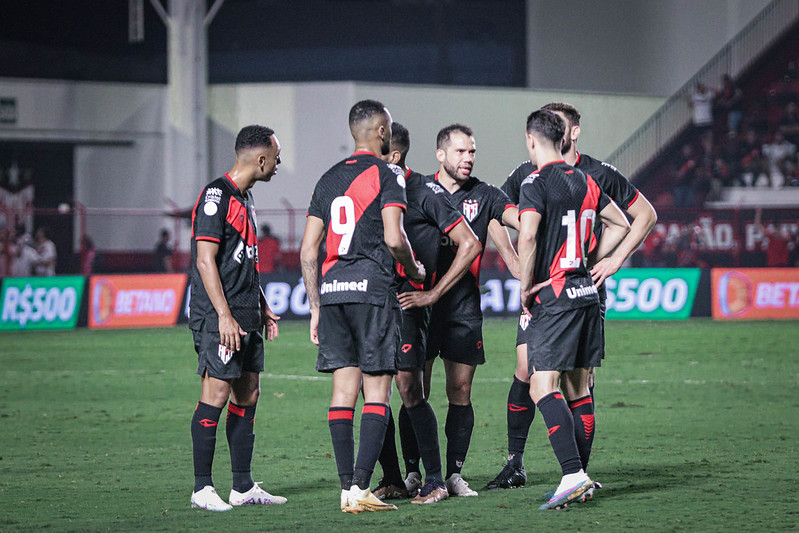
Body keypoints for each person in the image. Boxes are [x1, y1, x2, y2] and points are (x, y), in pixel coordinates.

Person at [489, 102, 657, 491]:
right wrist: (514, 262)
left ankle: (576, 471)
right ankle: (520, 462)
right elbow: (495, 211)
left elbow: (644, 215)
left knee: (565, 382)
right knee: (527, 369)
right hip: (566, 286)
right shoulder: (534, 174)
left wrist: (610, 261)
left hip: (559, 289)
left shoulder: (593, 172)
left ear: (573, 132)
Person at [299, 100, 426, 514]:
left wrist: (315, 307)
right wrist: (415, 267)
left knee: (342, 392)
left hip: (334, 293)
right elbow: (394, 238)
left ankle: (344, 490)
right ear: (382, 132)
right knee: (377, 392)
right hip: (372, 292)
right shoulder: (388, 172)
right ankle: (360, 488)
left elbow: (307, 251)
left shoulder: (327, 178)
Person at [516, 109, 630, 509]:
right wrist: (588, 258)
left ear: (532, 140)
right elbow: (622, 225)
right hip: (587, 294)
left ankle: (572, 473)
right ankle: (579, 476)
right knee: (579, 389)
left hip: (557, 298)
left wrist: (526, 289)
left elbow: (527, 236)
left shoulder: (535, 182)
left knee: (540, 387)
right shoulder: (584, 180)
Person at [406, 124, 520, 498]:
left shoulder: (485, 195)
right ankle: (412, 473)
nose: (468, 158)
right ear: (440, 155)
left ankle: (453, 475)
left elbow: (519, 220)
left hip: (462, 309)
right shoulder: (417, 188)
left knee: (460, 390)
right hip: (419, 307)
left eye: (472, 152)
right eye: (460, 152)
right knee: (413, 391)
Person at [370, 123, 481, 505]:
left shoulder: (424, 191)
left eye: (377, 152)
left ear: (393, 156)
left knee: (409, 389)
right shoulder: (372, 190)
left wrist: (431, 292)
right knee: (376, 393)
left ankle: (435, 479)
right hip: (372, 305)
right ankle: (394, 478)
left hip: (409, 305)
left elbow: (471, 243)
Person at [188, 125, 286, 512]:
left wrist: (260, 304)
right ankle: (201, 488)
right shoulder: (216, 196)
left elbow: (241, 260)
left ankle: (243, 486)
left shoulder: (245, 199)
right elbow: (204, 259)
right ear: (260, 159)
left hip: (246, 315)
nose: (279, 163)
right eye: (276, 157)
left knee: (248, 394)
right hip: (219, 318)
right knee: (215, 395)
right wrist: (225, 316)